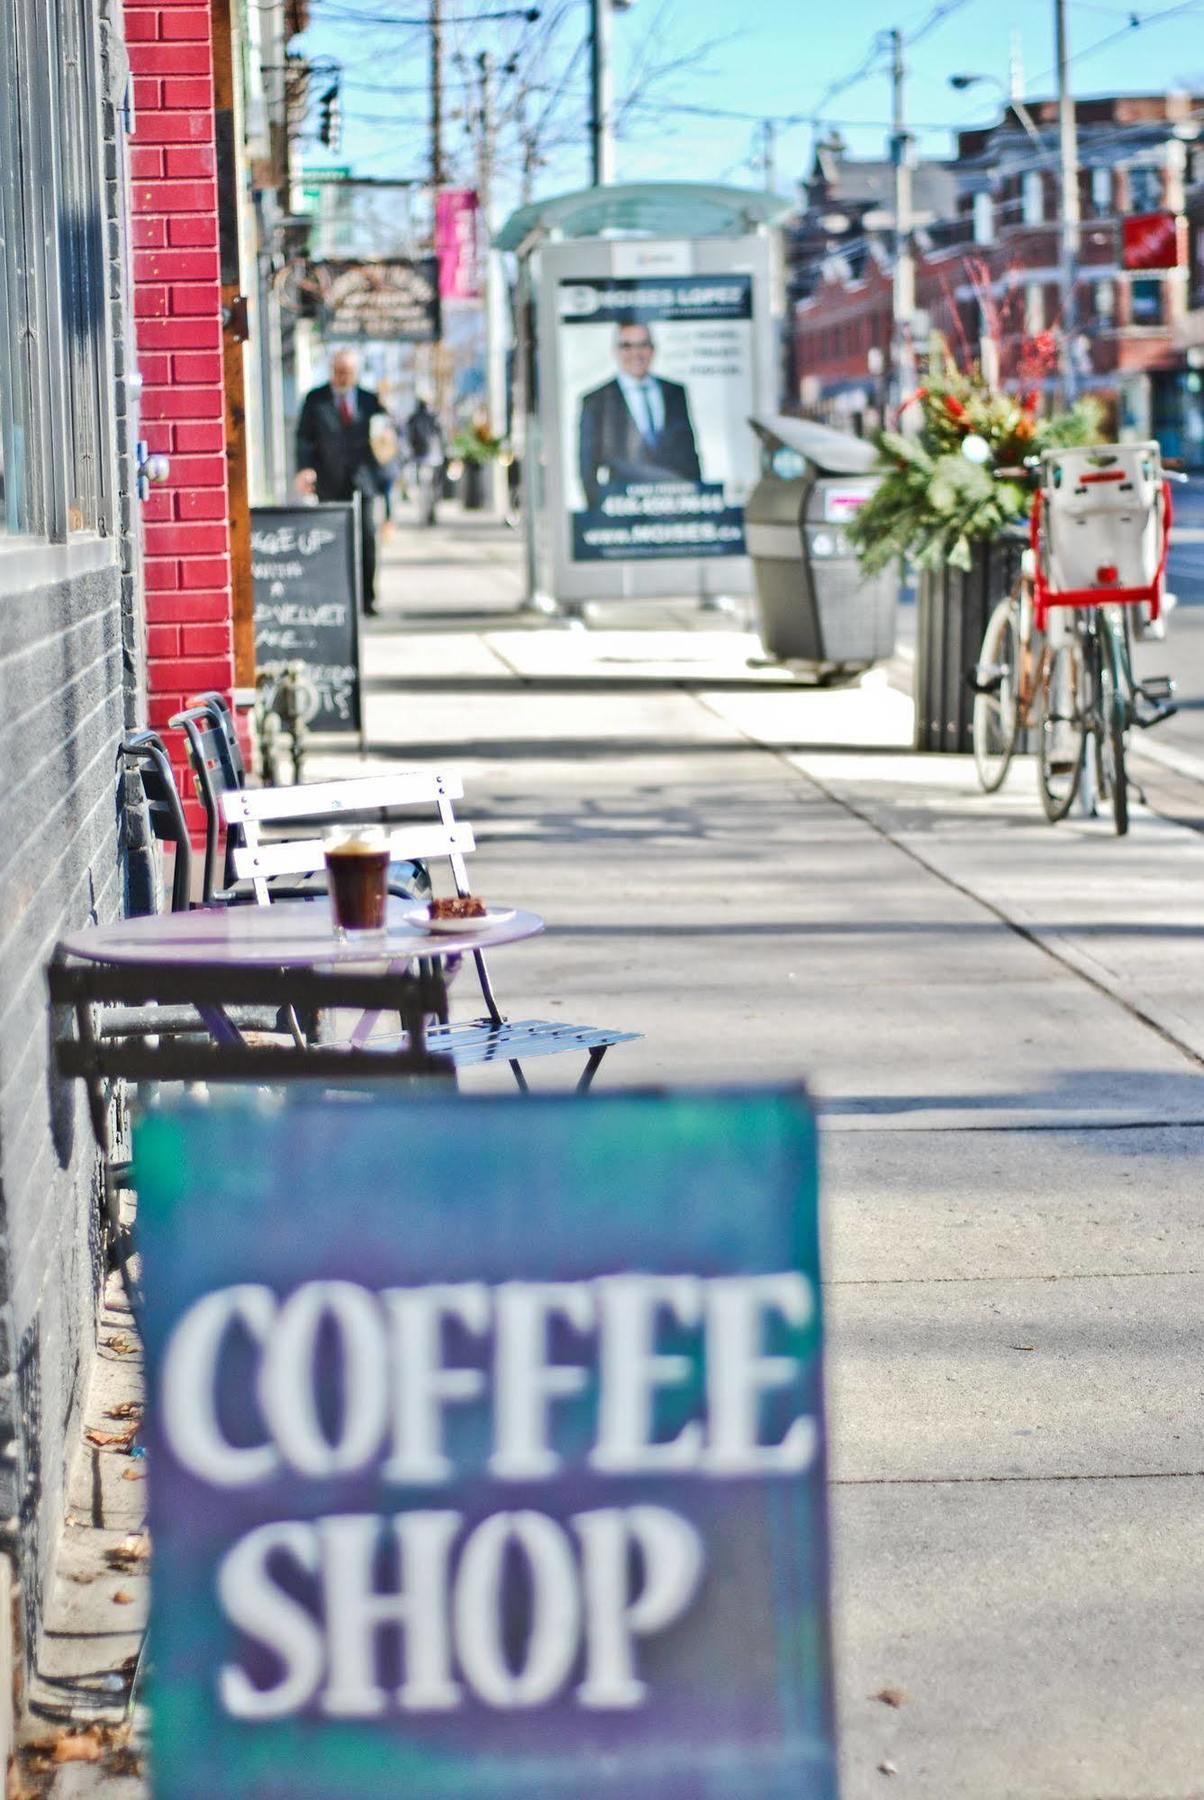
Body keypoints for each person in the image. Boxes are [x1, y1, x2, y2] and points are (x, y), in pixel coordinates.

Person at [295, 349, 389, 614]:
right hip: (329, 478)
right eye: (338, 371)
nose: (342, 377)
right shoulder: (315, 400)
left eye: (347, 372)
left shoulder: (371, 400)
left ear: (356, 373)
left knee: (367, 537)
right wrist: (304, 469)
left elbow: (386, 438)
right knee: (333, 538)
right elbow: (304, 438)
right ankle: (335, 597)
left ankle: (367, 599)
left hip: (364, 479)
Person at [577, 318, 702, 510]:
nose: (636, 353)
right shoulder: (597, 400)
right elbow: (587, 466)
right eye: (627, 346)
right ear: (615, 351)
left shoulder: (675, 392)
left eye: (643, 345)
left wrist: (697, 501)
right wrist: (598, 513)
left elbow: (689, 455)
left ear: (653, 349)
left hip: (673, 506)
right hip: (621, 509)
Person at [405, 396, 445, 527]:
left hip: (420, 457)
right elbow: (440, 436)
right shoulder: (433, 417)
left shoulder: (413, 418)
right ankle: (431, 513)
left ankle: (424, 514)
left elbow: (409, 437)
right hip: (435, 457)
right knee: (433, 488)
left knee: (422, 488)